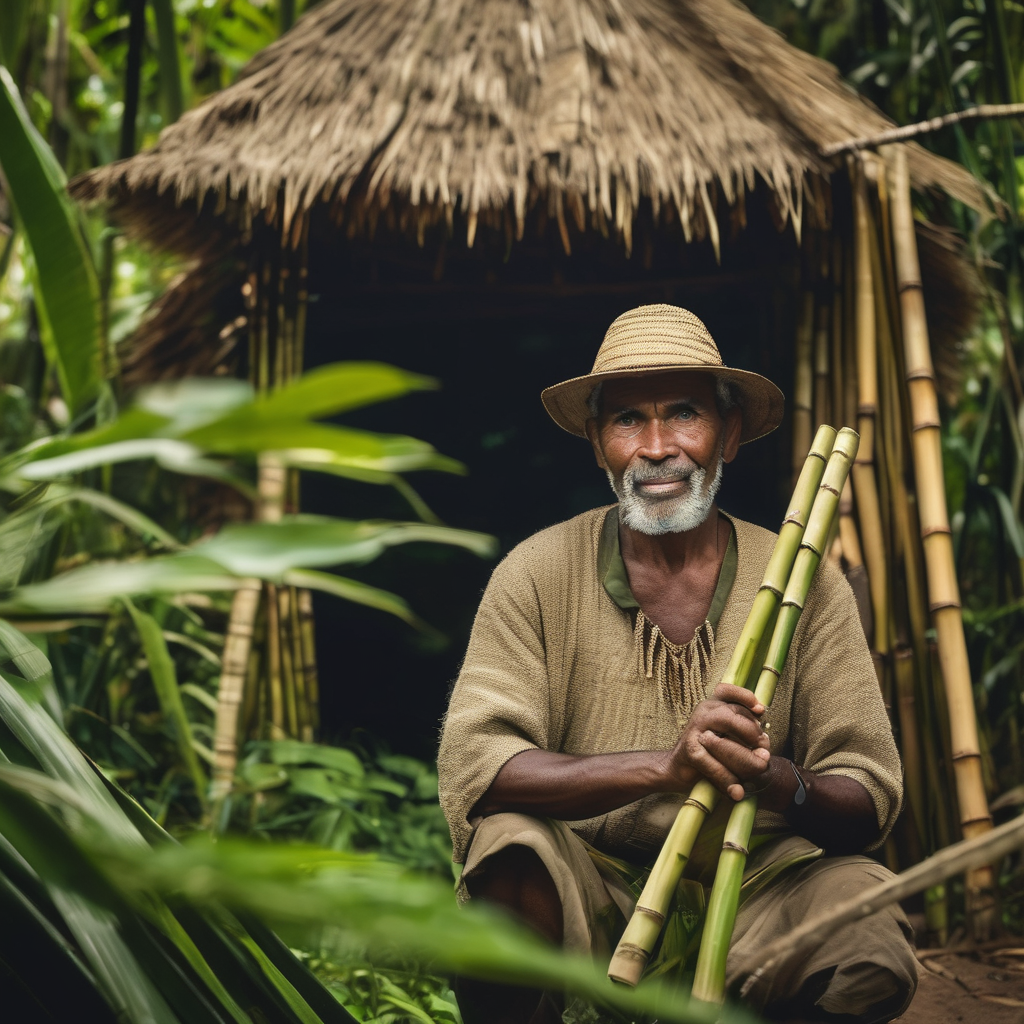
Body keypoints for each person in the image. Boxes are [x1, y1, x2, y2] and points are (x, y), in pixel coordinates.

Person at [438, 305, 917, 1024]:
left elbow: (866, 801)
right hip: (592, 889)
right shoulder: (535, 573)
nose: (657, 446)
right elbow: (483, 767)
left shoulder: (800, 580)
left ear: (727, 436)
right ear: (599, 445)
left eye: (685, 413)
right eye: (628, 420)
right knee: (508, 850)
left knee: (869, 931)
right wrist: (668, 765)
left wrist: (772, 777)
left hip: (753, 887)